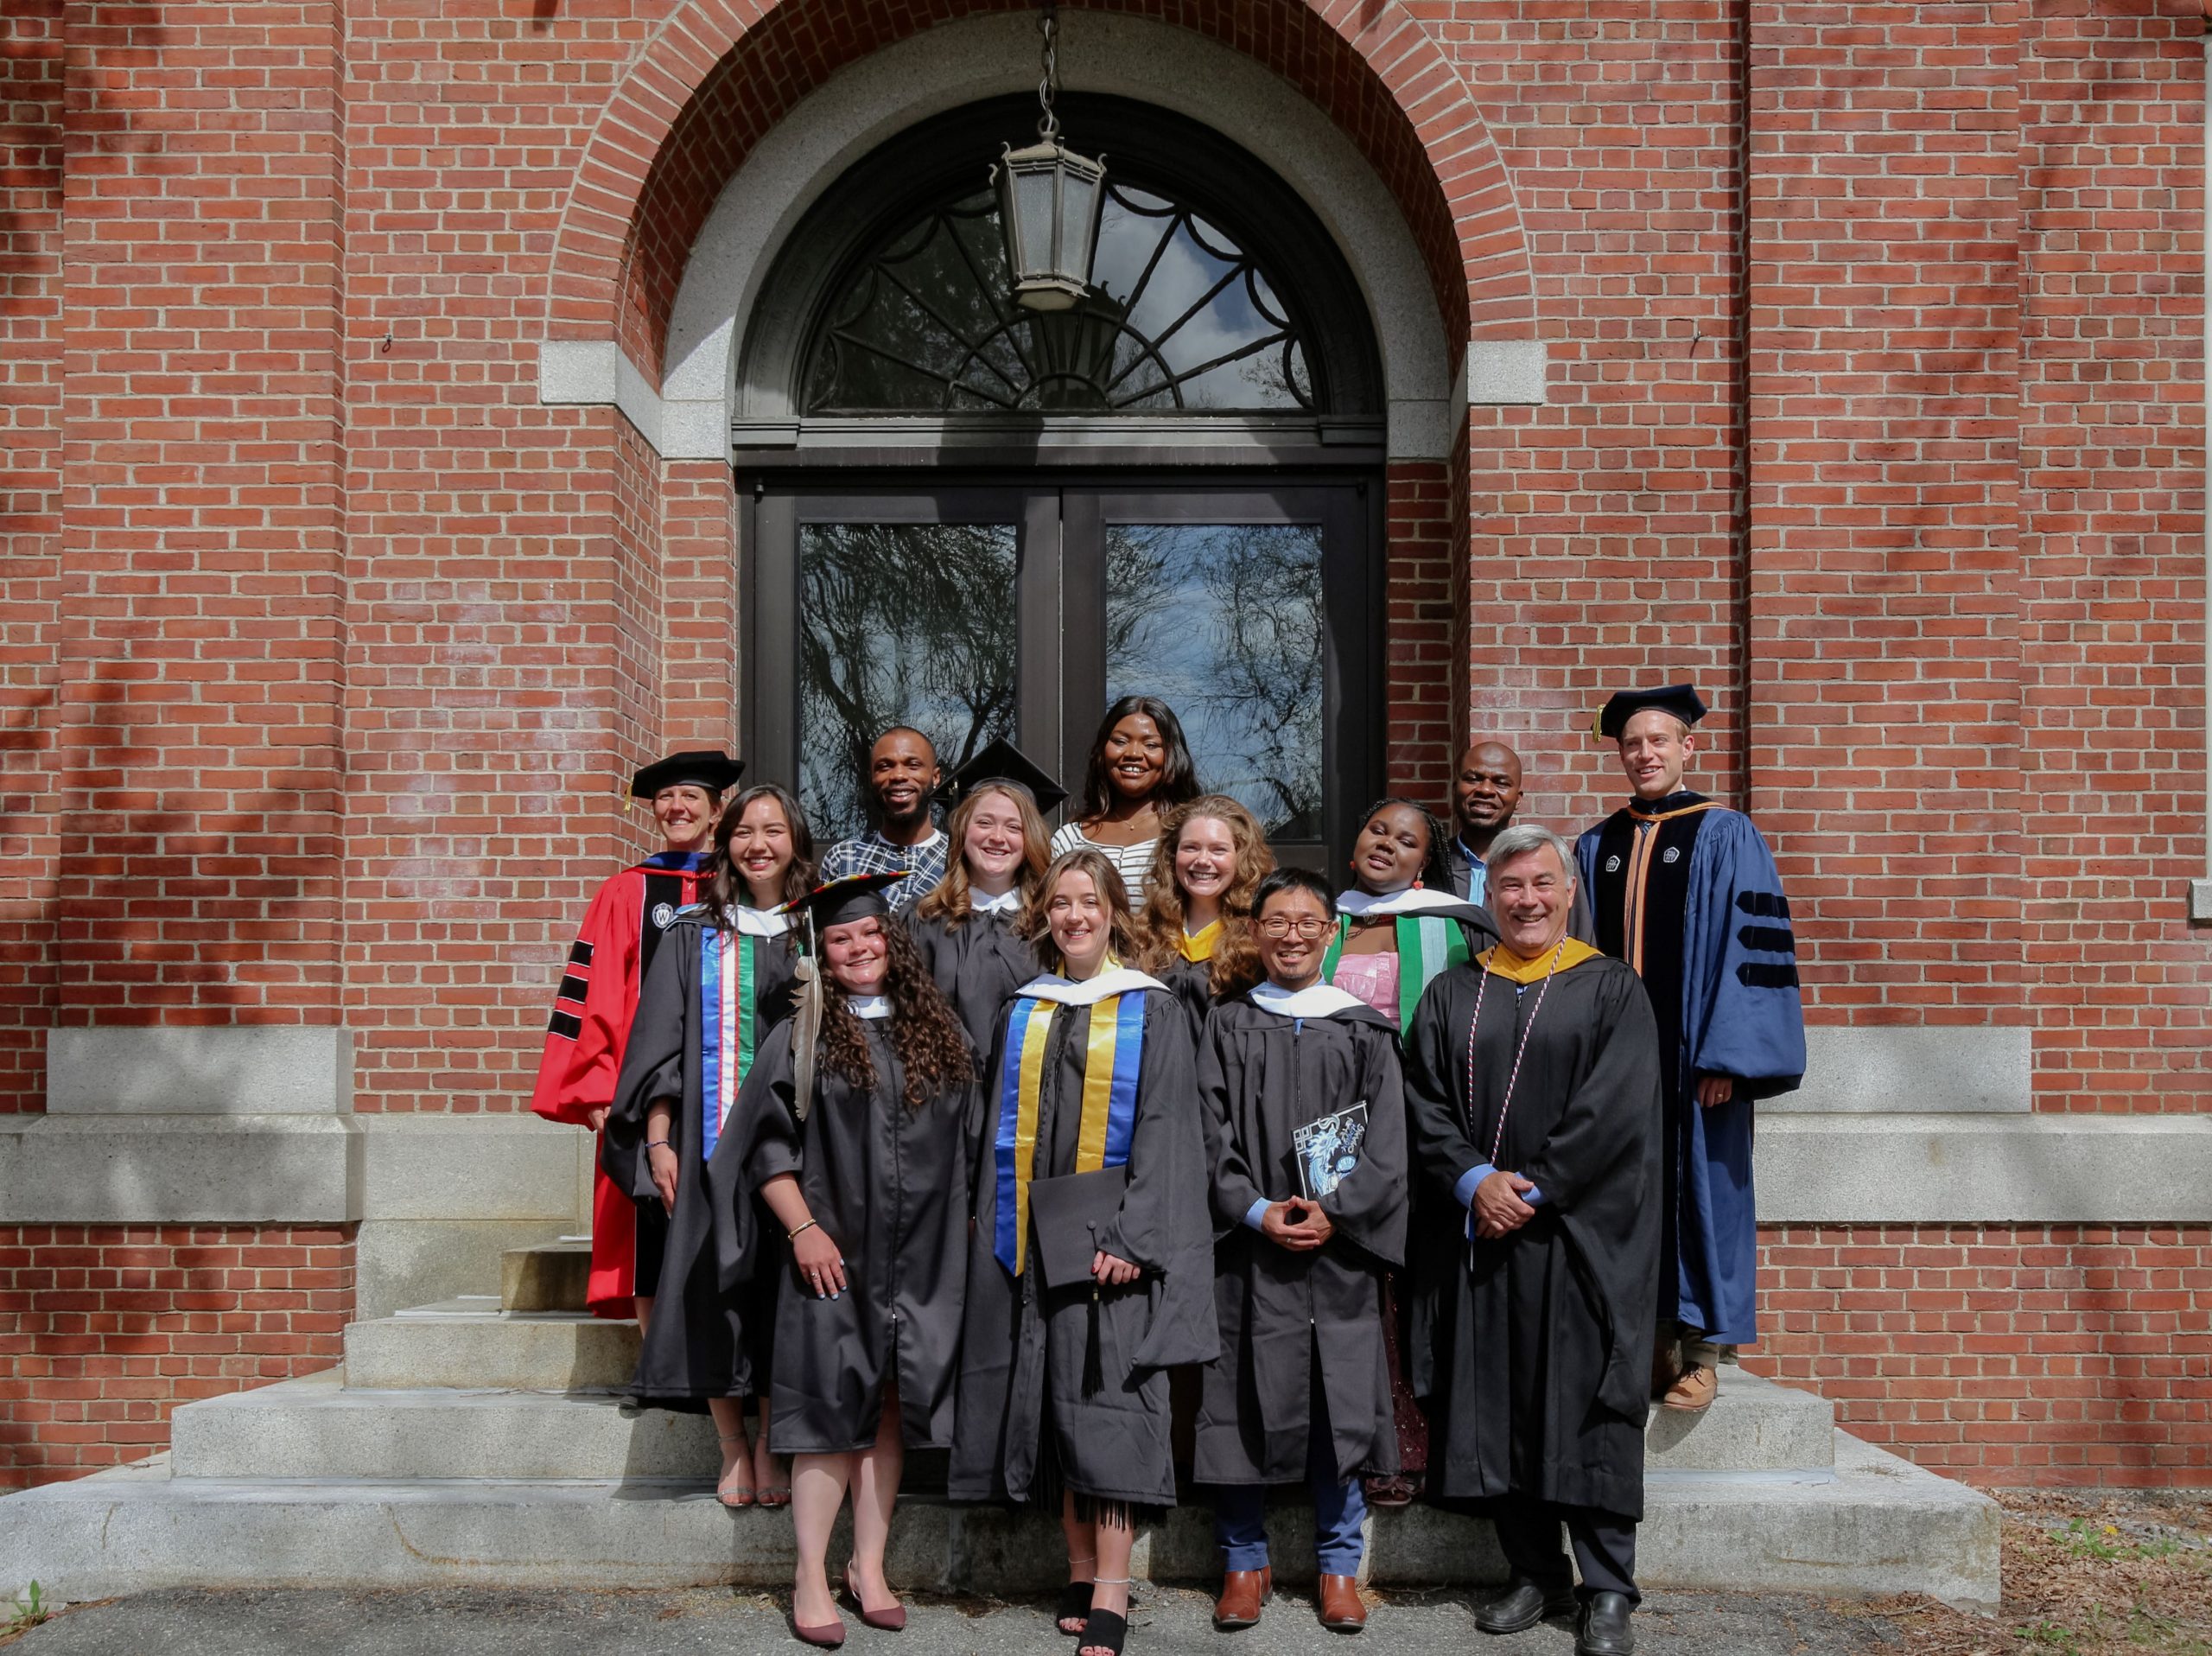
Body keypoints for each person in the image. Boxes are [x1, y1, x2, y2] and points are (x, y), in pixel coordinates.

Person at [948, 850, 1216, 1656]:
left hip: (1111, 1249)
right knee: (1053, 1406)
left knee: (1108, 1406)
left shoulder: (1152, 1009)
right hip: (1030, 1242)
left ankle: (1112, 1589)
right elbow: (990, 1123)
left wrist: (1136, 1237)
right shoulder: (1023, 1008)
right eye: (1060, 903)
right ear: (1044, 915)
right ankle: (1075, 1568)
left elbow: (1171, 1130)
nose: (1073, 916)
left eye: (1087, 902)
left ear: (1113, 912)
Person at [1403, 825, 1662, 1656]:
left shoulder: (1610, 989)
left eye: (1543, 884)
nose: (1527, 900)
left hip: (1579, 1236)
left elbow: (1616, 1110)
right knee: (1501, 1400)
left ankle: (1609, 1587)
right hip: (1483, 1230)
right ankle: (1534, 1573)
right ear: (1490, 897)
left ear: (1571, 890)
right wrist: (1476, 1180)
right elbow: (1423, 1103)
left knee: (1584, 1404)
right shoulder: (1452, 992)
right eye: (1511, 886)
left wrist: (1535, 1185)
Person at [721, 873, 979, 1648]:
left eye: (869, 935)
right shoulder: (801, 1036)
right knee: (830, 1414)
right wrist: (803, 1232)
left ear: (890, 941)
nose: (858, 948)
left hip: (921, 1255)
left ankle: (868, 1567)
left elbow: (967, 1144)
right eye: (841, 939)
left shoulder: (937, 1031)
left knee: (889, 1408)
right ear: (821, 954)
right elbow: (765, 1148)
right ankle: (808, 1574)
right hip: (832, 1256)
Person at [1574, 685, 1806, 1412]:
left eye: (1658, 742)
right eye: (1631, 744)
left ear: (1687, 748)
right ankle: (1643, 1340)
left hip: (1697, 1064)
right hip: (1616, 1065)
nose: (1643, 754)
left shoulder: (1727, 834)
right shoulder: (1595, 845)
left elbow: (1753, 951)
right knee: (1618, 1192)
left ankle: (1706, 1348)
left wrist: (1727, 1061)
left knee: (1706, 1193)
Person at [1195, 867, 1407, 1636]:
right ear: (1254, 932)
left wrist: (1336, 1213)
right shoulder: (1226, 1023)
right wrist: (1254, 1210)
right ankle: (1243, 1562)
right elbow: (1206, 1132)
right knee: (1239, 1404)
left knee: (1338, 1407)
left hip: (1338, 1254)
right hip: (1249, 1252)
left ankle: (1338, 1565)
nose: (1291, 934)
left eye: (1306, 922)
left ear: (1330, 933)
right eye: (1276, 921)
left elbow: (1388, 1142)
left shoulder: (1363, 1028)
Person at [602, 783, 810, 1509]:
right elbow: (660, 1047)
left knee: (779, 1298)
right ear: (727, 843)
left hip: (797, 1151)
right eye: (746, 830)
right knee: (714, 1292)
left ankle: (771, 1443)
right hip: (703, 1142)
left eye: (774, 830)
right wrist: (657, 1141)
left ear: (796, 843)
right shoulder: (694, 931)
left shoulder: (813, 931)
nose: (759, 844)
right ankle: (732, 1447)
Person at [531, 748, 741, 1328]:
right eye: (666, 798)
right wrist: (597, 1086)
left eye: (690, 798)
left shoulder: (741, 887)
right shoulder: (627, 892)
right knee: (646, 1225)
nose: (677, 807)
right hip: (642, 1082)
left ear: (716, 811)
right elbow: (591, 993)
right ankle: (654, 1360)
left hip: (727, 1074)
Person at [1323, 796, 1493, 1507]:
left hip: (1422, 1123)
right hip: (1335, 1128)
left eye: (1407, 840)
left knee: (1421, 1281)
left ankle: (1427, 1449)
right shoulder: (1318, 922)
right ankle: (1361, 1446)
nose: (1386, 843)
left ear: (1429, 861)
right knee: (1355, 1284)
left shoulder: (1457, 930)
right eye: (1375, 828)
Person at [908, 737, 1060, 1056]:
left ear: (1029, 838)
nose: (997, 837)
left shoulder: (1051, 923)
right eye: (984, 822)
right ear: (963, 831)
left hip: (1033, 1096)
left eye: (1013, 827)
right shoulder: (924, 920)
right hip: (949, 1096)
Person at [1137, 794, 1275, 1025]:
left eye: (1218, 850)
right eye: (1190, 847)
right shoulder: (1146, 933)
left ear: (1241, 858)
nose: (1202, 860)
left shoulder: (1258, 941)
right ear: (1172, 856)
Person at [1049, 696, 1201, 899]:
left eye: (1151, 745)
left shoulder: (1188, 833)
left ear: (1171, 755)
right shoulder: (1069, 840)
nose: (1134, 753)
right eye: (1120, 741)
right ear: (1102, 751)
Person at [1450, 738, 1596, 942]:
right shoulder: (1430, 866)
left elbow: (1581, 946)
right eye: (1473, 779)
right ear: (1455, 788)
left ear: (1518, 799)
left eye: (1501, 783)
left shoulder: (1555, 864)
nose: (1485, 790)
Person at [818, 726, 948, 912]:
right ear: (871, 777)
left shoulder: (960, 858)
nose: (898, 776)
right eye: (885, 767)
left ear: (935, 777)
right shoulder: (843, 858)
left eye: (913, 765)